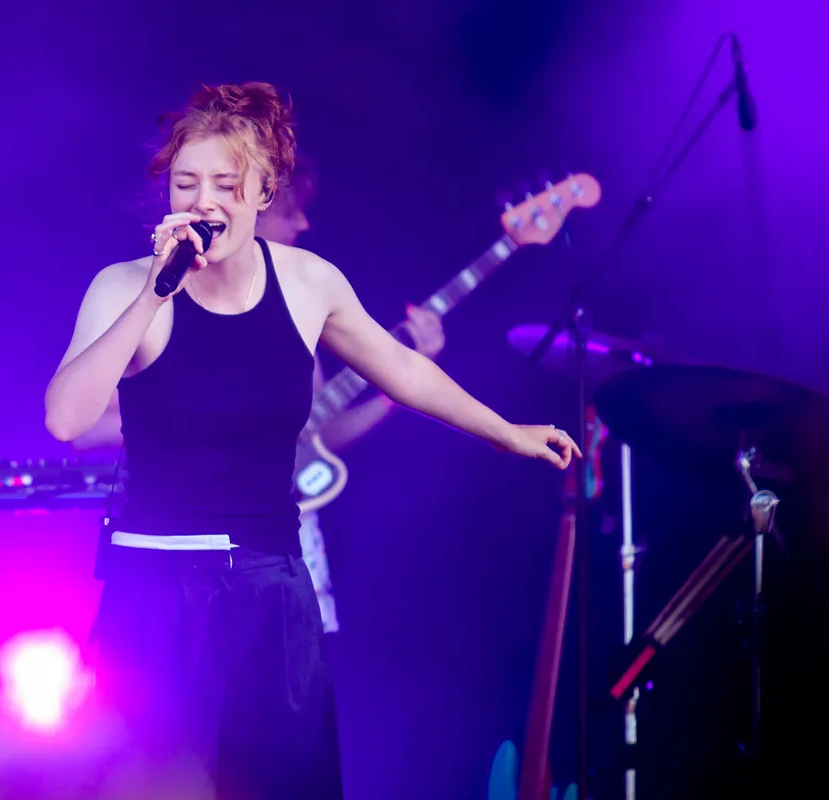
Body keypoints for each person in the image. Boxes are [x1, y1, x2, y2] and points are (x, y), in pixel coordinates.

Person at [44, 81, 580, 799]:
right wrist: (154, 295)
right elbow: (66, 419)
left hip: (271, 589)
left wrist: (503, 431)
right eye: (186, 183)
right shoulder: (123, 286)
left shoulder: (307, 283)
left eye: (227, 184)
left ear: (264, 192)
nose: (204, 200)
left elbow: (401, 370)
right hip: (155, 589)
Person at [70, 154, 448, 635]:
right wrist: (191, 415)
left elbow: (318, 434)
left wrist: (397, 392)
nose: (303, 223)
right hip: (177, 552)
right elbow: (80, 429)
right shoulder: (155, 299)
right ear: (253, 209)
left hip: (274, 552)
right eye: (291, 210)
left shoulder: (299, 305)